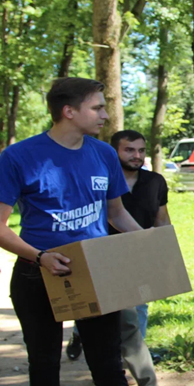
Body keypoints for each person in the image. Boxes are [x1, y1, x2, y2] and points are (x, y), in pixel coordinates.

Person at [0, 77, 143, 385]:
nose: (105, 115)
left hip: (96, 270)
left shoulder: (104, 154)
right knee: (44, 364)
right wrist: (40, 257)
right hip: (37, 274)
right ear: (69, 111)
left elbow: (116, 213)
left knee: (108, 364)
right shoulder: (18, 157)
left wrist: (150, 243)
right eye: (98, 108)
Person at [67, 130, 169, 385]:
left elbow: (162, 219)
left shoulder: (156, 181)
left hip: (138, 255)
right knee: (100, 313)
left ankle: (138, 373)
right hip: (102, 257)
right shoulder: (99, 179)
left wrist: (165, 252)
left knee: (135, 315)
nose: (137, 156)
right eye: (129, 150)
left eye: (141, 150)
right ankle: (85, 334)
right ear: (114, 152)